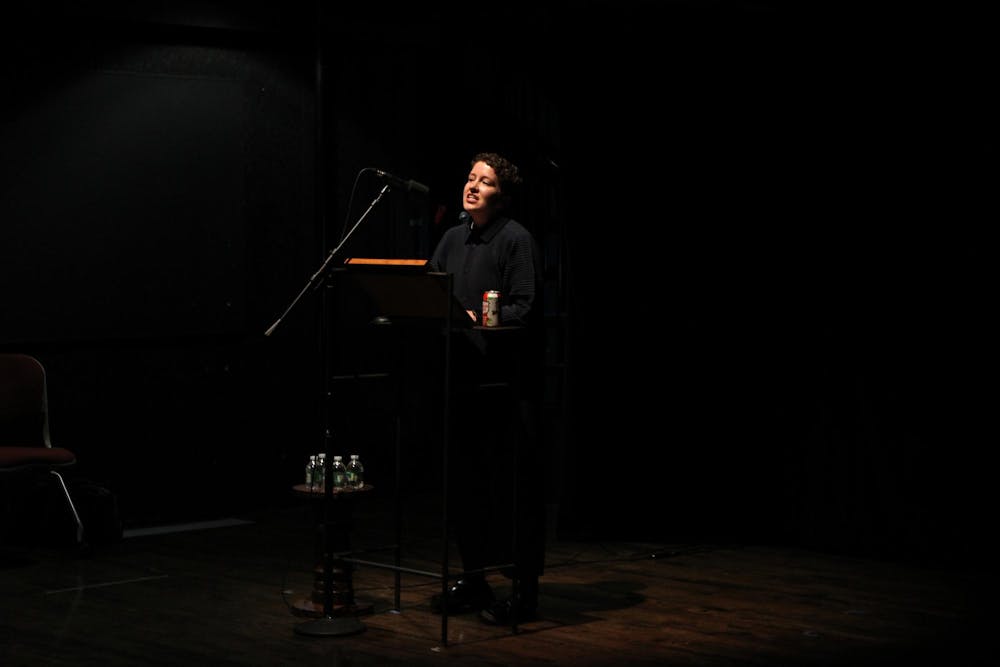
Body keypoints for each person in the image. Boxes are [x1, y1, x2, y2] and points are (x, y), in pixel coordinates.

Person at [429, 152, 546, 624]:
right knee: (465, 489)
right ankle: (474, 579)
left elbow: (526, 306)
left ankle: (523, 591)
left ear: (504, 196)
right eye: (470, 177)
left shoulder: (516, 240)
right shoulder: (453, 238)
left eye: (486, 181)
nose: (473, 186)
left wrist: (482, 319)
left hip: (504, 388)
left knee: (509, 492)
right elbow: (433, 288)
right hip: (461, 384)